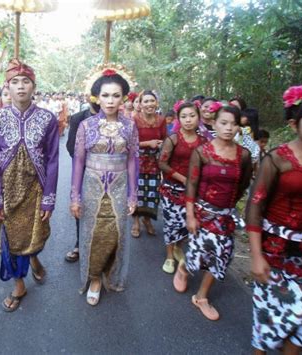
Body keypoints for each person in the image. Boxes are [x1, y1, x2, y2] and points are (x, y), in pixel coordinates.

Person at [0, 59, 59, 312]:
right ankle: (19, 284)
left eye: (25, 81)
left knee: (35, 231)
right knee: (9, 236)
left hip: (36, 188)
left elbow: (52, 160)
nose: (20, 87)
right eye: (14, 82)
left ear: (33, 86)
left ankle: (33, 256)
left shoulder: (48, 119)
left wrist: (50, 197)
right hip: (7, 189)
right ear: (7, 87)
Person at [173, 103, 252, 321]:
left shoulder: (243, 155)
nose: (229, 128)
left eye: (234, 124)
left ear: (239, 127)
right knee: (198, 253)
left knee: (221, 257)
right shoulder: (202, 152)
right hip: (201, 212)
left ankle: (202, 297)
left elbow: (243, 184)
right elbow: (191, 184)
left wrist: (228, 208)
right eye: (224, 123)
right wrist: (190, 215)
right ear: (215, 123)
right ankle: (184, 268)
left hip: (225, 216)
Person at [246, 85, 302, 354]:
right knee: (268, 321)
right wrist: (256, 255)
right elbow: (254, 207)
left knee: (301, 326)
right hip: (276, 252)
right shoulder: (277, 159)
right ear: (295, 124)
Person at [70, 68, 139, 306]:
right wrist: (75, 196)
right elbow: (78, 161)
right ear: (96, 97)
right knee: (94, 233)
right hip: (92, 186)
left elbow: (132, 160)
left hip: (119, 187)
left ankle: (110, 272)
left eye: (116, 95)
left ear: (123, 98)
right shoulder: (86, 126)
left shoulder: (130, 126)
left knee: (115, 234)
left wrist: (133, 194)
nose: (110, 101)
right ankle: (95, 278)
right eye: (106, 95)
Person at [158, 102, 207, 274]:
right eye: (184, 116)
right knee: (171, 223)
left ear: (198, 118)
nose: (188, 120)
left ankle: (179, 246)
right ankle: (170, 256)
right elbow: (162, 163)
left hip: (194, 191)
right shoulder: (173, 139)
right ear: (179, 119)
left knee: (187, 223)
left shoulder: (204, 141)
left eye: (192, 116)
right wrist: (183, 179)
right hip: (172, 189)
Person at [64, 96, 97, 263]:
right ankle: (80, 243)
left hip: (113, 175)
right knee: (82, 208)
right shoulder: (78, 118)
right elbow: (71, 147)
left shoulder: (121, 120)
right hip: (85, 172)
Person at [131, 90, 166, 237]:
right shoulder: (134, 119)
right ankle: (136, 222)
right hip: (137, 161)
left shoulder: (161, 120)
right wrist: (148, 143)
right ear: (140, 104)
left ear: (156, 102)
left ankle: (147, 220)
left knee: (152, 194)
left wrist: (161, 144)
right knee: (137, 193)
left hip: (154, 163)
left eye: (152, 101)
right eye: (146, 101)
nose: (149, 104)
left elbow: (166, 140)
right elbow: (129, 143)